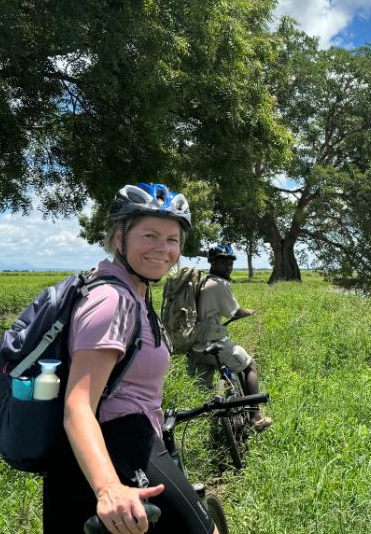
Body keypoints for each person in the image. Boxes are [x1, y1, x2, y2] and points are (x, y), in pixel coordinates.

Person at [42, 183, 219, 534]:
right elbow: (78, 404)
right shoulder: (113, 300)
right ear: (119, 238)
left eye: (172, 239)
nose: (163, 249)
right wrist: (108, 487)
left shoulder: (131, 290)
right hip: (123, 445)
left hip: (116, 444)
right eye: (149, 235)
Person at [189, 243, 272, 430]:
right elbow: (234, 312)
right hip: (213, 342)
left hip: (196, 345)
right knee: (249, 366)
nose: (228, 266)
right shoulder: (220, 284)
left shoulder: (203, 282)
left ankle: (201, 425)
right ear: (212, 262)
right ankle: (255, 416)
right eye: (223, 262)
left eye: (230, 263)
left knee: (201, 386)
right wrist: (247, 312)